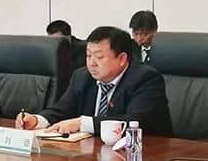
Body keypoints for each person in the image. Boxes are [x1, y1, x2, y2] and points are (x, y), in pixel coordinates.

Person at [16, 26, 172, 136]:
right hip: (93, 154)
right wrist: (37, 120)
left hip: (145, 156)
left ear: (122, 59)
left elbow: (135, 121)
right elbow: (62, 110)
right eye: (88, 55)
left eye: (99, 57)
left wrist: (82, 123)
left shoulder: (145, 78)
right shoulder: (82, 76)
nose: (91, 63)